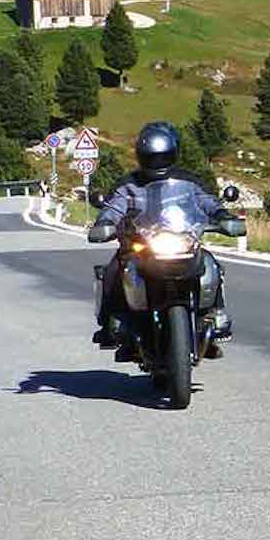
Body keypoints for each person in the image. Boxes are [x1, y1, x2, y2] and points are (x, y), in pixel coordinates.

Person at [88, 121, 231, 362]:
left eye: (162, 157)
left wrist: (223, 215)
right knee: (114, 271)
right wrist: (105, 223)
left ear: (172, 155)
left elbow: (206, 201)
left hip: (181, 240)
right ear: (141, 157)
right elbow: (113, 207)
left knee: (210, 264)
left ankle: (214, 318)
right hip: (141, 246)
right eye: (151, 158)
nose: (157, 163)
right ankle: (112, 326)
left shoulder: (187, 182)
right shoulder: (129, 185)